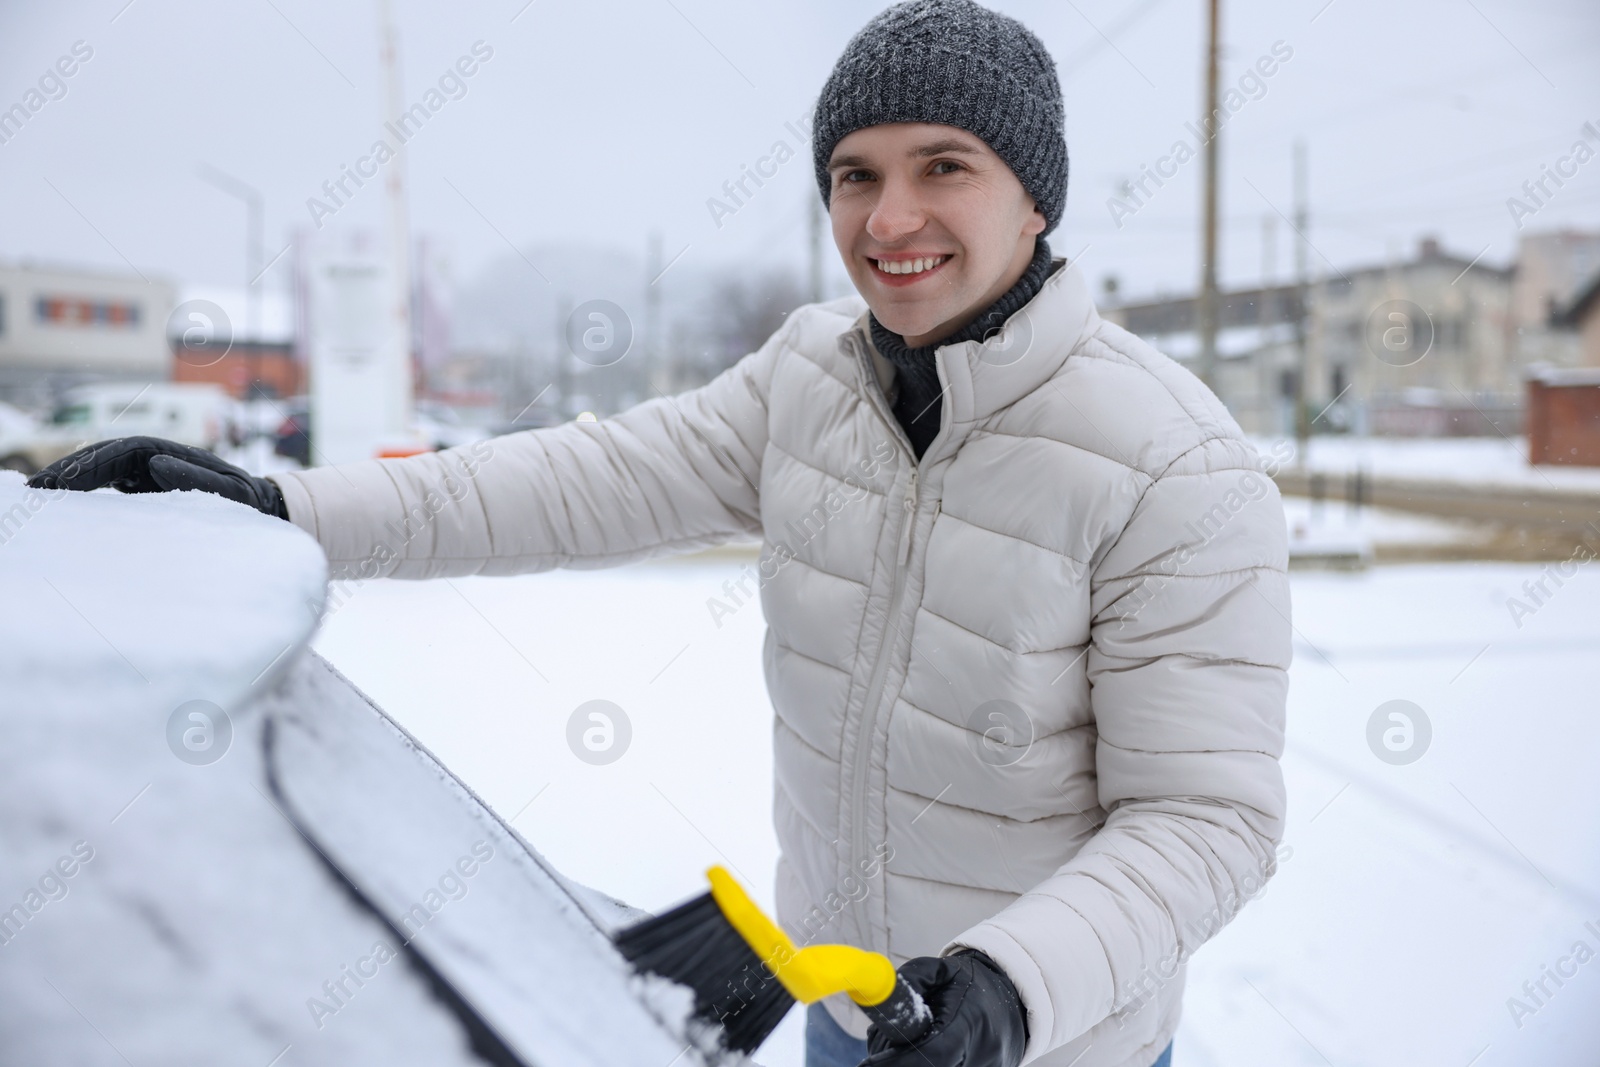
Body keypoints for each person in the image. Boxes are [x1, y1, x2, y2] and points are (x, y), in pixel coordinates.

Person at [32, 2, 1289, 1064]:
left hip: (1047, 1032)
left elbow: (1203, 817)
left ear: (1037, 199)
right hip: (849, 1004)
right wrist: (277, 506)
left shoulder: (1169, 463)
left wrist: (1008, 985)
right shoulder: (812, 379)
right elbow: (566, 483)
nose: (888, 218)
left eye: (942, 165)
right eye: (855, 174)